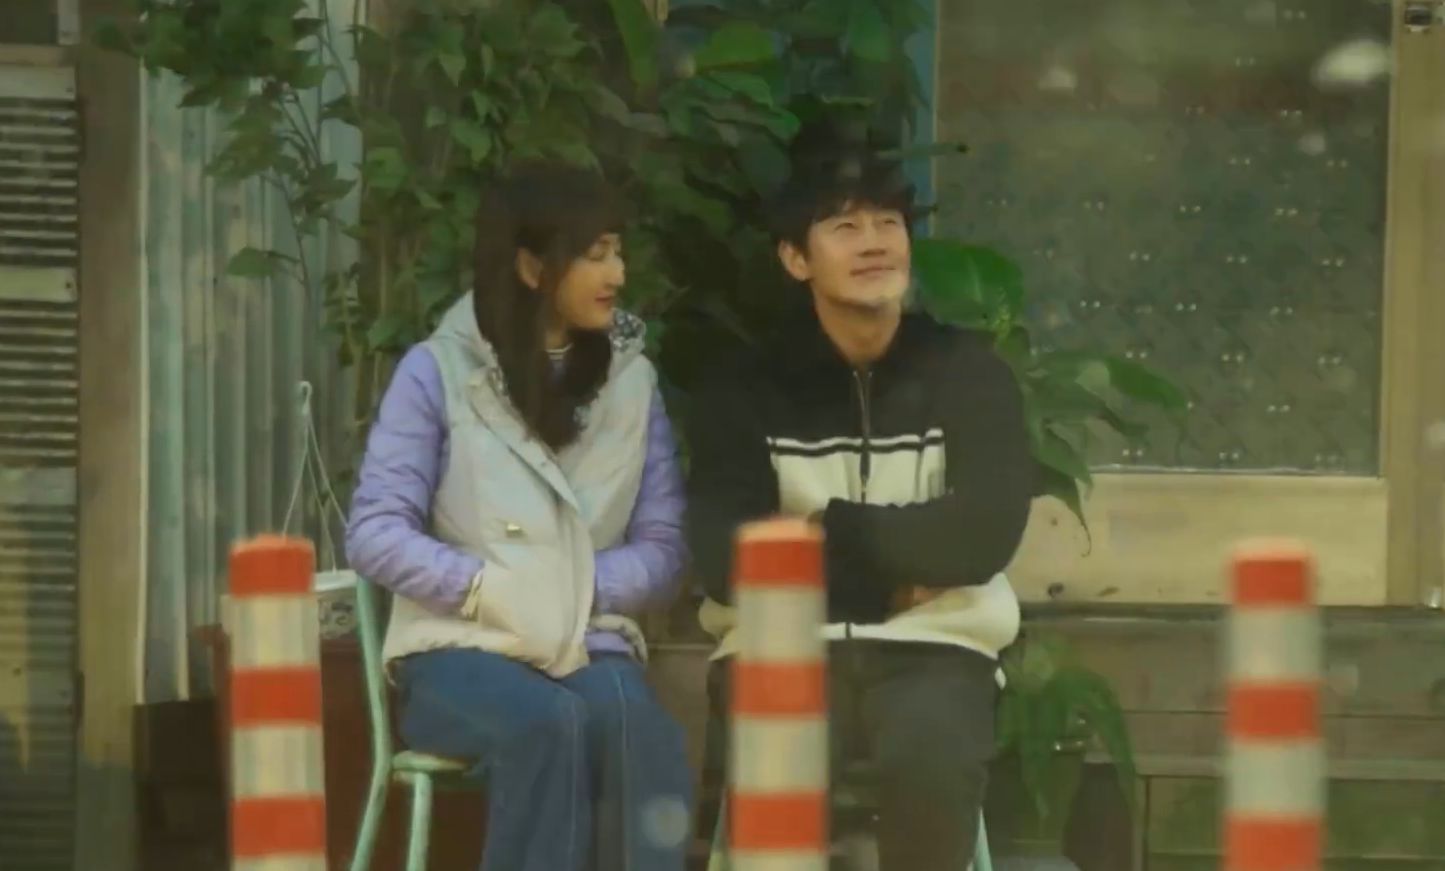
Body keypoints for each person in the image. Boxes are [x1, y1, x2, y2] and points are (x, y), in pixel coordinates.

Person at [686, 122, 1034, 870]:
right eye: (844, 227)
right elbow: (723, 558)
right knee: (781, 764)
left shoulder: (968, 373)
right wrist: (892, 579)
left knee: (929, 755)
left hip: (936, 648)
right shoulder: (745, 388)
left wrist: (827, 532)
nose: (874, 243)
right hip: (780, 649)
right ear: (795, 258)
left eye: (887, 223)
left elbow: (982, 533)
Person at [345, 162, 692, 871]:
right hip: (459, 644)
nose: (617, 273)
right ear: (532, 268)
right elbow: (374, 532)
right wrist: (486, 588)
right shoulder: (437, 372)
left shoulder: (633, 381)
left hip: (590, 641)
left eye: (617, 251)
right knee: (547, 725)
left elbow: (665, 544)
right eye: (593, 254)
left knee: (639, 730)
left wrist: (573, 591)